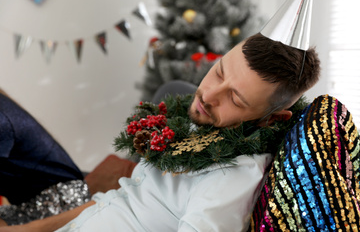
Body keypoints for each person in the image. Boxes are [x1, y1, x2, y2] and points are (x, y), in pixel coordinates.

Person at [0, 30, 321, 231]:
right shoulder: (185, 130)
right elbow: (115, 199)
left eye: (234, 99)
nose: (208, 95)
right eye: (218, 71)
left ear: (271, 119)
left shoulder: (231, 176)